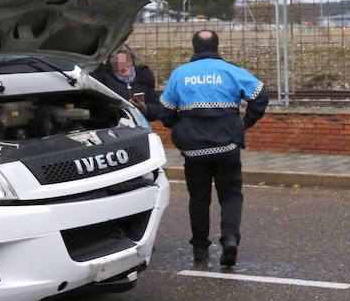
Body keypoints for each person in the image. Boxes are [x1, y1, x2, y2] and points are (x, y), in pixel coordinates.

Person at [157, 29, 268, 268]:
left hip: (194, 150)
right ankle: (230, 239)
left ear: (194, 48)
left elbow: (165, 111)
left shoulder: (180, 74)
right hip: (227, 147)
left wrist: (181, 127)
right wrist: (244, 123)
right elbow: (260, 94)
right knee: (231, 195)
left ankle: (200, 248)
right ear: (217, 48)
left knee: (199, 198)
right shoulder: (230, 70)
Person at [93, 44, 158, 119]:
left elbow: (157, 108)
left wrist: (146, 109)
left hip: (141, 123)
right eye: (117, 64)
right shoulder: (102, 78)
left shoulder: (143, 75)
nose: (124, 67)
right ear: (110, 64)